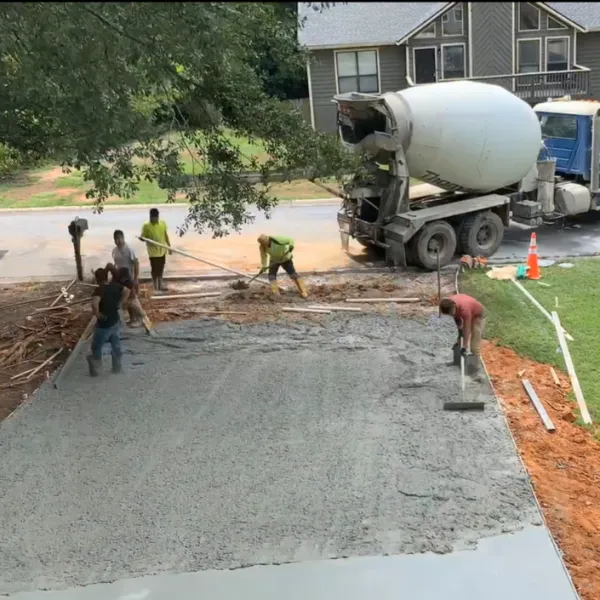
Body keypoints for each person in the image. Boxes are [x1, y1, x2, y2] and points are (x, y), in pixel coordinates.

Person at [87, 267, 130, 377]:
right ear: (107, 277)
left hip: (104, 324)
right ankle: (117, 367)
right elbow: (127, 291)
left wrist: (97, 313)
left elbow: (94, 303)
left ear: (97, 279)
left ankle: (96, 369)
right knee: (116, 345)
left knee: (96, 347)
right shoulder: (116, 286)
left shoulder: (99, 289)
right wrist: (120, 303)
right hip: (115, 321)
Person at [439, 293, 486, 376]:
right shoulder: (449, 303)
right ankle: (457, 362)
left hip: (477, 315)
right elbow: (456, 317)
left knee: (474, 345)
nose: (451, 315)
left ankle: (476, 371)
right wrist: (459, 328)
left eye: (451, 313)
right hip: (466, 312)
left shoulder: (465, 309)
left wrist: (464, 347)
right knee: (459, 340)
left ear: (454, 306)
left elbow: (467, 329)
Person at [106, 230, 143, 327]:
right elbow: (116, 264)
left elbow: (136, 263)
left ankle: (137, 319)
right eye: (115, 239)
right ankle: (131, 319)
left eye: (119, 238)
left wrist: (136, 278)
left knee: (132, 297)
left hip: (129, 277)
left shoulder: (129, 249)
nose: (117, 241)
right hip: (120, 278)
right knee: (124, 298)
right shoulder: (115, 251)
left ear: (123, 238)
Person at [257, 234, 308, 298]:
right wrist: (264, 266)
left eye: (265, 242)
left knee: (293, 275)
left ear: (269, 239)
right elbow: (263, 257)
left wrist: (291, 245)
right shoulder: (262, 247)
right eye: (263, 243)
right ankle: (276, 293)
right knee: (271, 276)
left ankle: (303, 291)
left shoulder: (278, 239)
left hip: (285, 258)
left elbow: (290, 240)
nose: (265, 244)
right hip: (274, 260)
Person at [140, 208, 171, 292]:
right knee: (154, 270)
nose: (153, 219)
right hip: (153, 253)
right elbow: (143, 237)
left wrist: (169, 247)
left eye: (154, 218)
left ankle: (160, 285)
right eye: (151, 218)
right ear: (150, 216)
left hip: (162, 251)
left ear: (157, 217)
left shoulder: (162, 223)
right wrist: (142, 238)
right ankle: (155, 286)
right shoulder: (146, 226)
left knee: (160, 269)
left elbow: (165, 235)